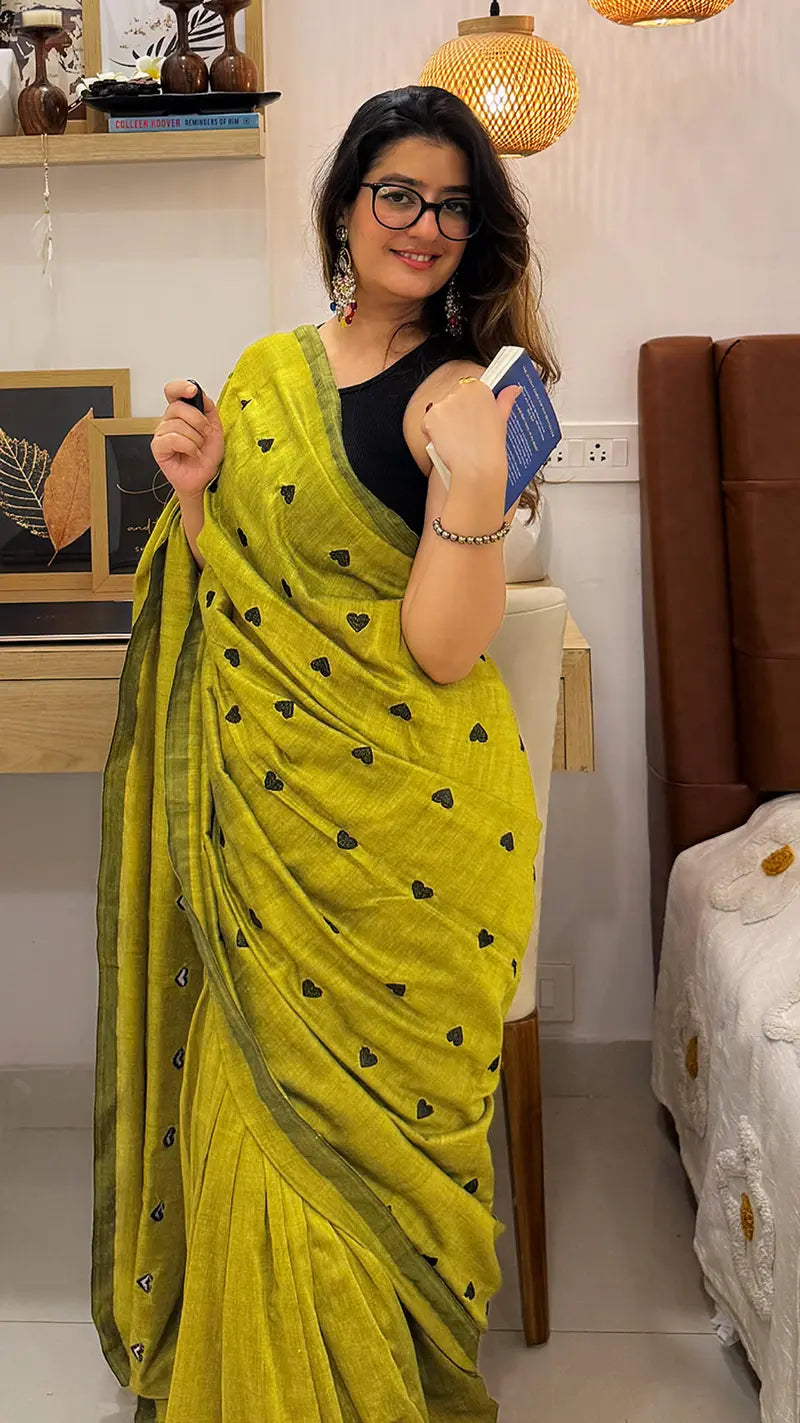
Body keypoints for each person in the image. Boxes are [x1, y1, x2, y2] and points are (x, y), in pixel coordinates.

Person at [92, 84, 560, 1423]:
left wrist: (477, 481)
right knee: (255, 1102)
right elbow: (238, 588)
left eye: (453, 205)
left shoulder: (468, 392)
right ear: (344, 210)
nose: (424, 225)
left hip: (412, 825)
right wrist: (195, 497)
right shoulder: (266, 374)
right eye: (396, 193)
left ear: (477, 233)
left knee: (367, 1147)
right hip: (271, 821)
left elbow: (442, 651)